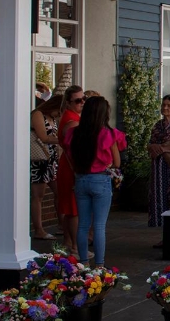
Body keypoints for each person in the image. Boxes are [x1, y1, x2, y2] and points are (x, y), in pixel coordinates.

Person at [65, 96, 126, 264]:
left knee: (83, 224)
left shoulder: (74, 132)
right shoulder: (108, 133)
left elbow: (69, 156)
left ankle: (83, 261)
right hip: (100, 179)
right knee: (99, 226)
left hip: (80, 179)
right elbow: (117, 162)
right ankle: (99, 265)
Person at [55, 85, 85, 251]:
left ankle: (69, 242)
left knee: (70, 208)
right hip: (71, 167)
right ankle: (74, 245)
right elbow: (73, 149)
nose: (82, 102)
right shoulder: (72, 121)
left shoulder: (72, 117)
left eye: (83, 99)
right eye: (78, 100)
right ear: (68, 103)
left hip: (68, 166)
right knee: (73, 209)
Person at [146, 95, 170, 230]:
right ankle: (166, 234)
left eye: (169, 105)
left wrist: (163, 148)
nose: (165, 107)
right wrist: (153, 148)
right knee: (159, 198)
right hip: (158, 166)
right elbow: (150, 143)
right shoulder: (158, 124)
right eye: (163, 105)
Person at [30, 94, 64, 240]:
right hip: (39, 159)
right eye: (59, 111)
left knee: (60, 192)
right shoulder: (38, 114)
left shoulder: (52, 118)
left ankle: (62, 225)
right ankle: (38, 229)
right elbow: (43, 137)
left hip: (51, 160)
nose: (59, 114)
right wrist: (63, 140)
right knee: (38, 195)